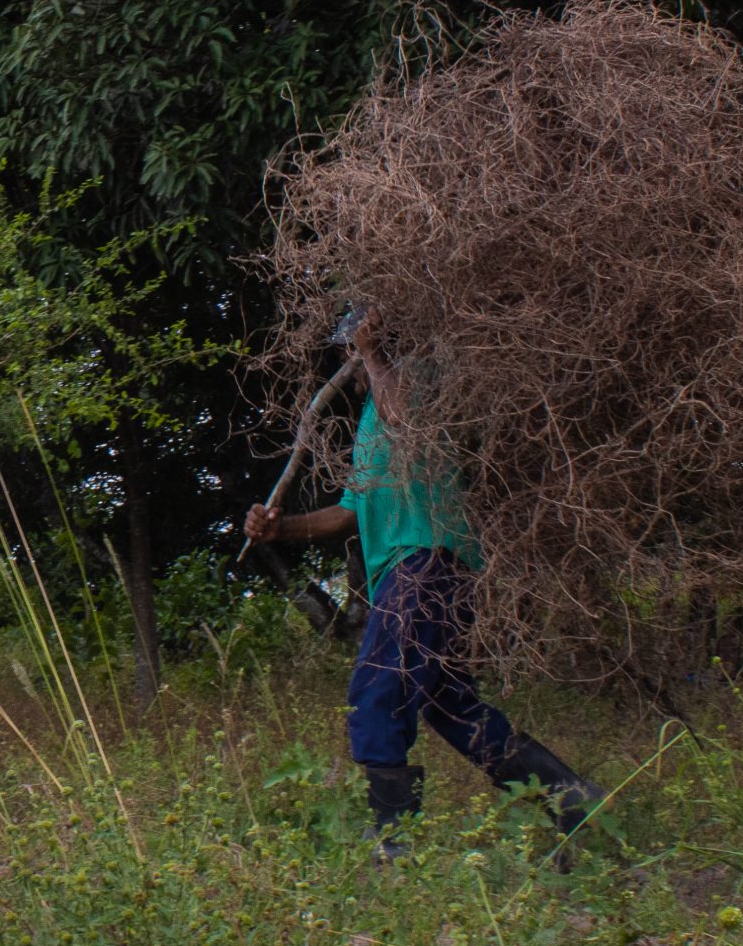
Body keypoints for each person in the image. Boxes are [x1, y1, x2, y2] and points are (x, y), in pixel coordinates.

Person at [244, 310, 601, 854]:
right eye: (349, 352)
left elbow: (408, 420)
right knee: (454, 707)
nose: (349, 362)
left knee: (376, 690)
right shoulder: (368, 418)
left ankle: (393, 839)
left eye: (351, 351)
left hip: (426, 564)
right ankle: (573, 799)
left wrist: (376, 355)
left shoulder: (418, 381)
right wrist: (279, 529)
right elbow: (348, 512)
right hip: (418, 572)